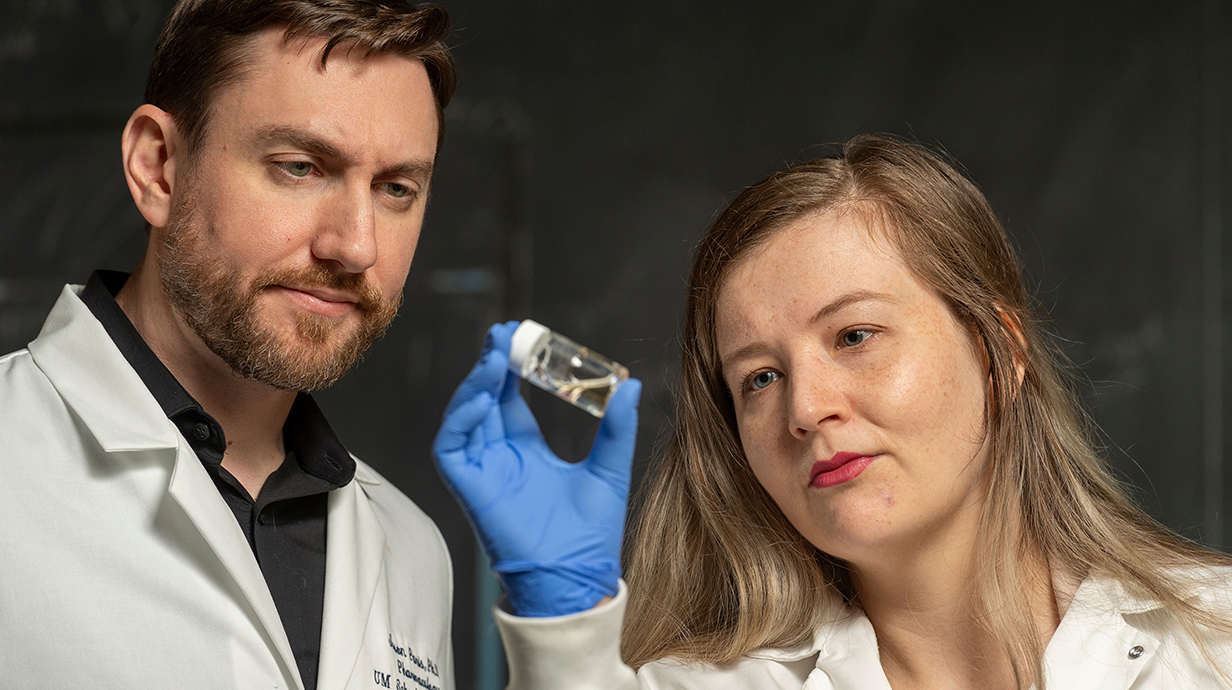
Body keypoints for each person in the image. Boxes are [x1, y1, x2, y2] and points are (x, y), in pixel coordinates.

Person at [439, 134, 1232, 689]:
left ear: (1002, 355)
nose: (806, 410)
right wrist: (568, 644)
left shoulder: (1216, 642)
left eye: (855, 335)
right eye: (758, 379)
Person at [0, 2, 467, 688]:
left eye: (396, 188)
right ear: (158, 168)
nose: (357, 245)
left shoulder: (414, 551)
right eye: (300, 166)